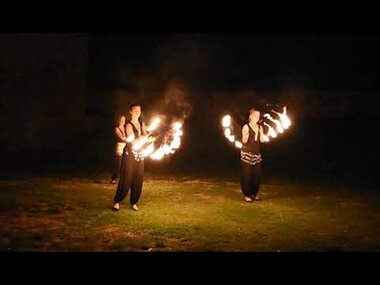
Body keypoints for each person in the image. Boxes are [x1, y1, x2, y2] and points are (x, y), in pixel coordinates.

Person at [113, 103, 153, 211]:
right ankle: (117, 200)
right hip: (130, 153)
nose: (137, 112)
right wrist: (144, 138)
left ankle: (134, 202)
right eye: (135, 110)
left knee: (138, 178)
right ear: (130, 112)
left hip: (140, 154)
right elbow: (133, 140)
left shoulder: (142, 123)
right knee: (126, 178)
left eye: (139, 110)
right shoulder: (128, 125)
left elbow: (145, 137)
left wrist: (150, 139)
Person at [240, 107, 266, 202]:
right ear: (251, 116)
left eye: (259, 116)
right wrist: (246, 135)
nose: (258, 117)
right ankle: (247, 195)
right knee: (247, 175)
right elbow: (244, 141)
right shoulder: (246, 127)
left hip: (257, 154)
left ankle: (254, 194)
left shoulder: (260, 127)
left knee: (256, 175)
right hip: (247, 154)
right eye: (256, 115)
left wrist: (265, 136)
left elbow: (262, 140)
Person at [110, 115, 126, 184]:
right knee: (118, 164)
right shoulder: (116, 128)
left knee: (125, 163)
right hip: (119, 147)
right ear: (118, 121)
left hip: (126, 146)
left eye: (123, 120)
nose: (122, 121)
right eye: (121, 120)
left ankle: (124, 179)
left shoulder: (125, 128)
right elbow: (122, 137)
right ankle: (114, 178)